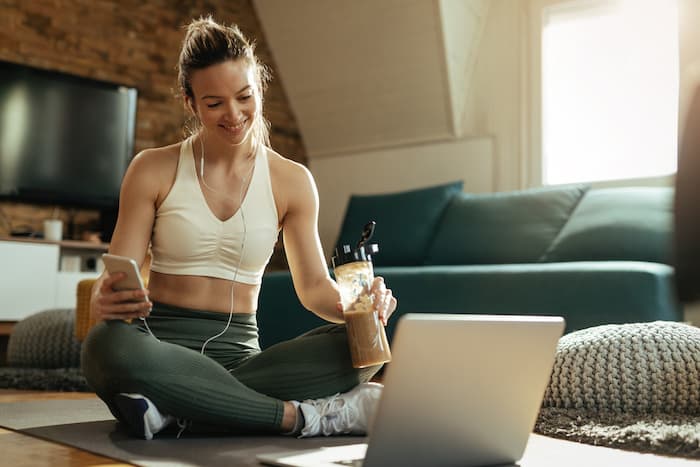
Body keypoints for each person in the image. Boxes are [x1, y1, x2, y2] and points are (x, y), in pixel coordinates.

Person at [81, 16, 397, 440]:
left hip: (243, 359)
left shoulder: (292, 181)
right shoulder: (152, 169)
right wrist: (106, 295)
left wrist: (361, 310)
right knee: (105, 346)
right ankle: (300, 418)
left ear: (260, 90)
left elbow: (315, 289)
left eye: (245, 97)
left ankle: (174, 409)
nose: (234, 115)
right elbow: (120, 272)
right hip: (155, 347)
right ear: (190, 102)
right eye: (214, 104)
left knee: (365, 347)